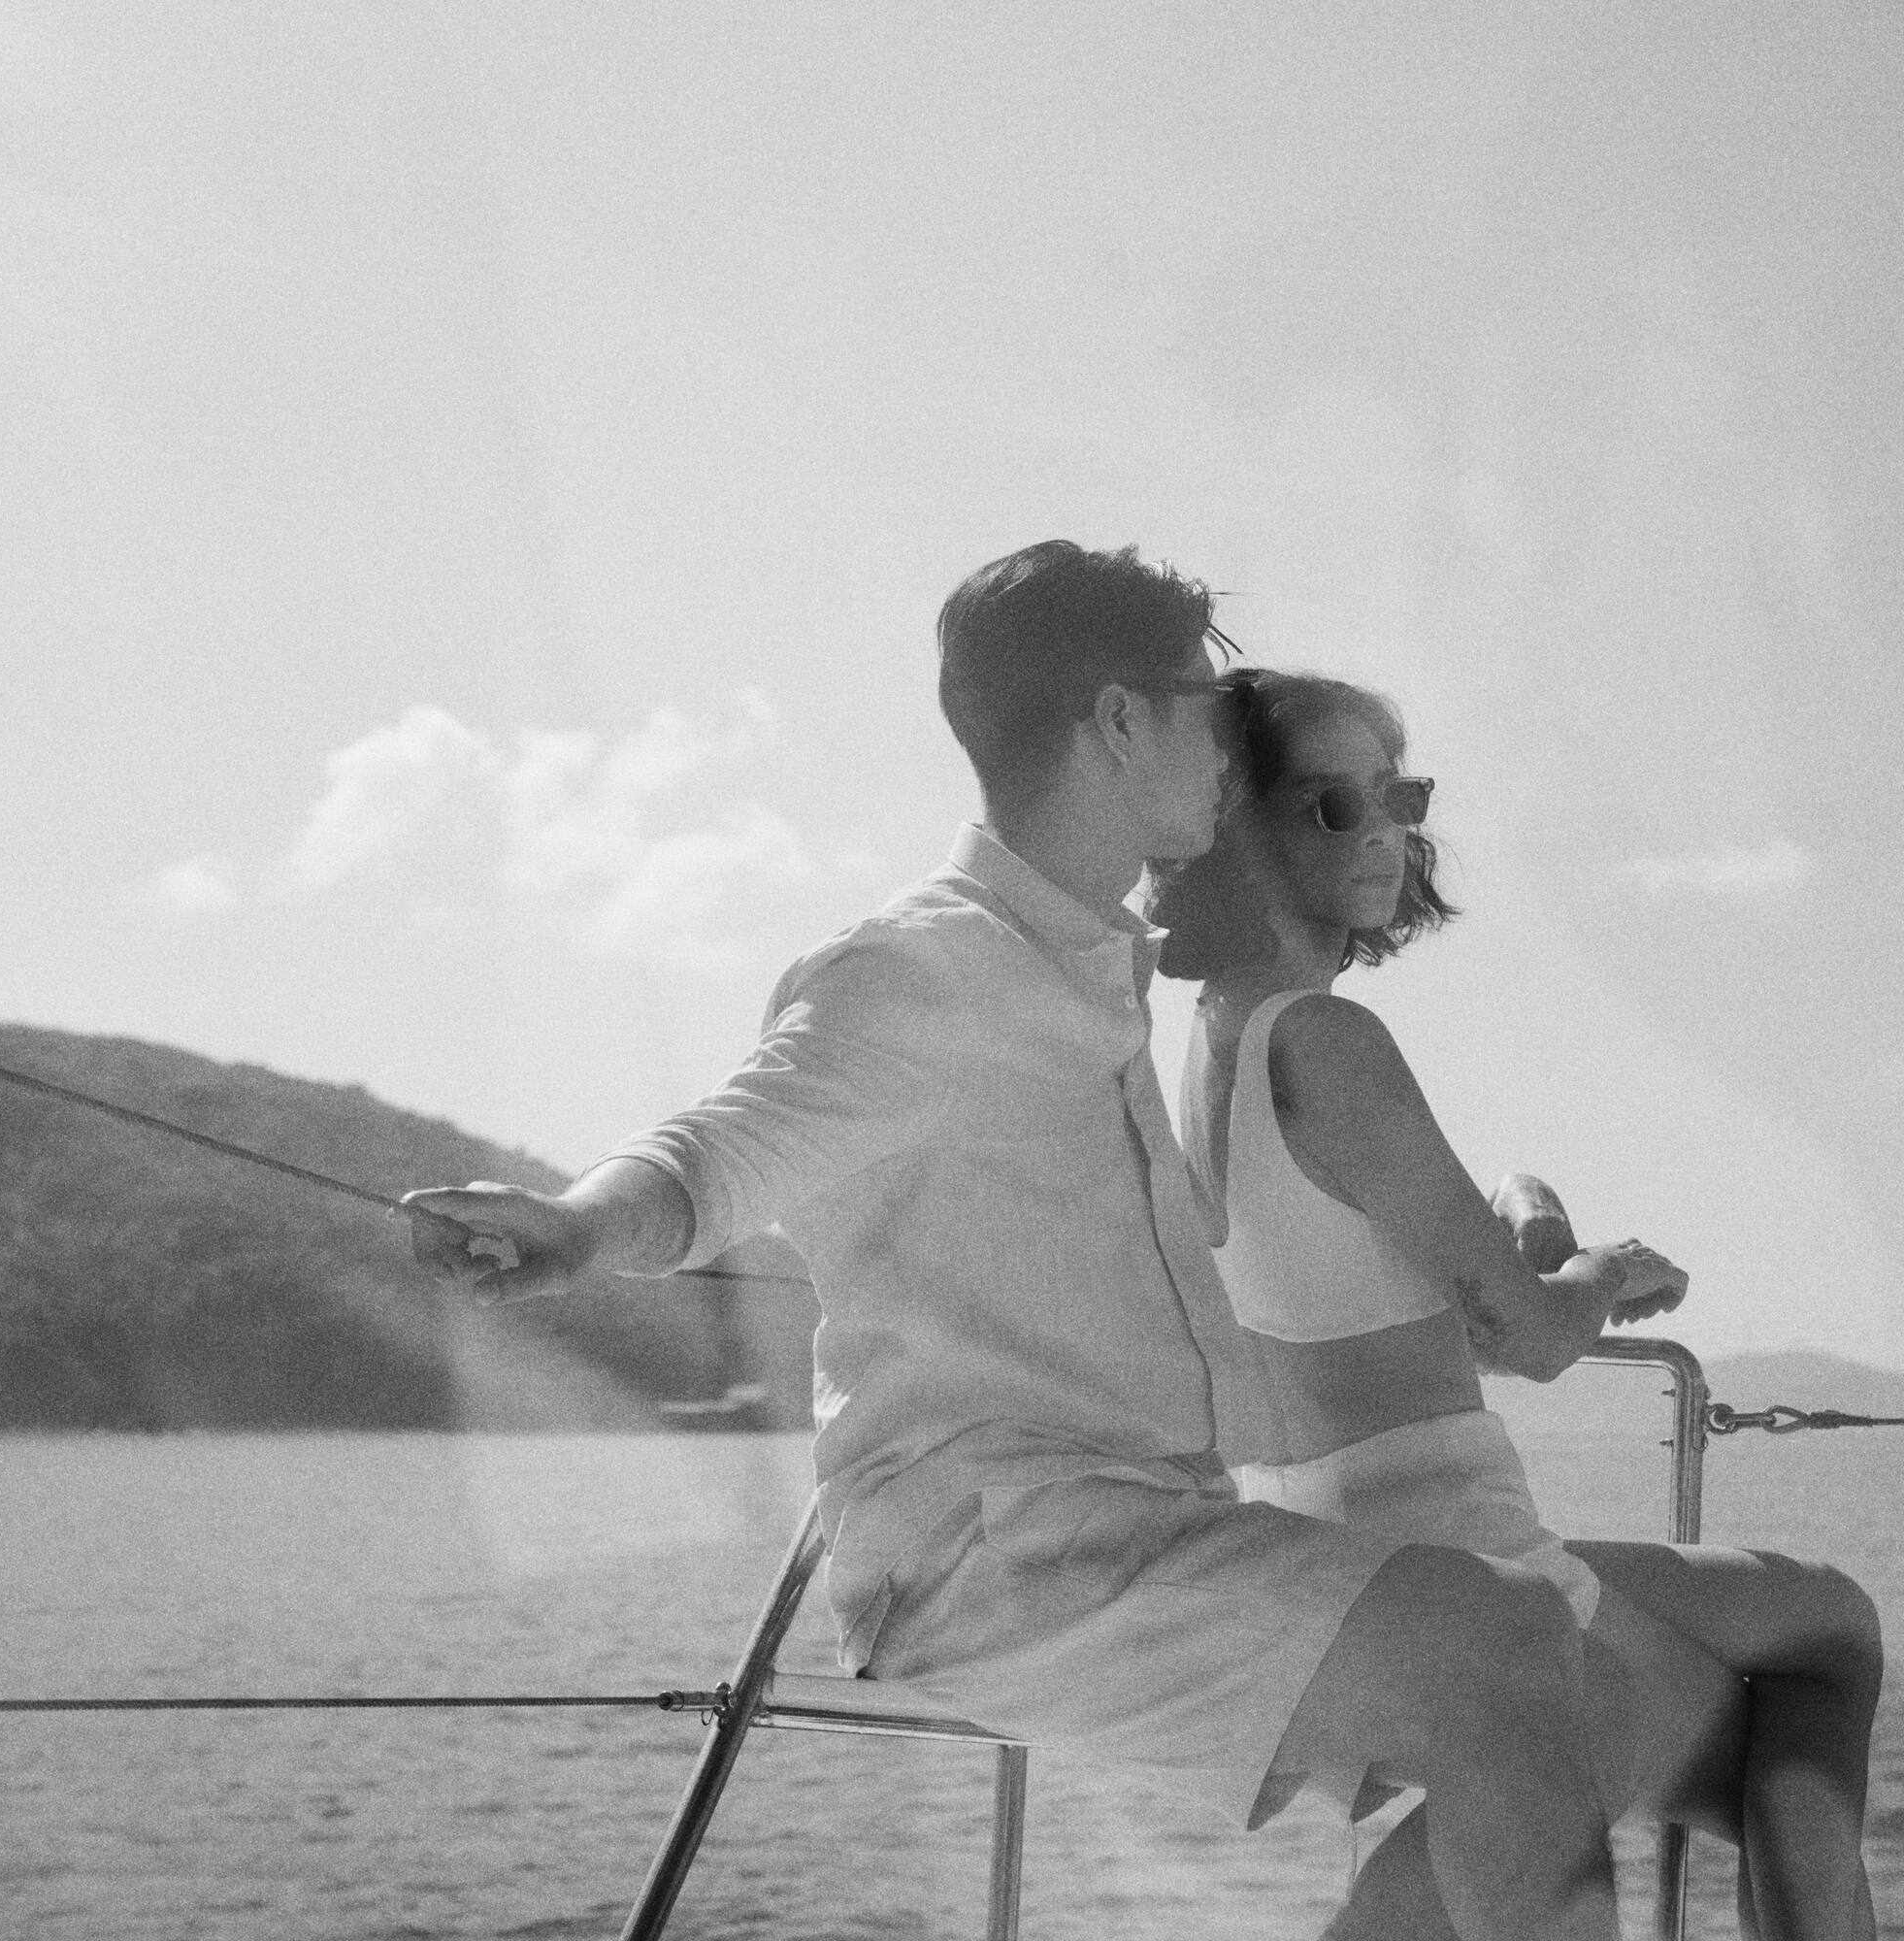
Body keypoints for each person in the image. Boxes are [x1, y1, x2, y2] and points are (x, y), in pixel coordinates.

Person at [410, 542, 1636, 1941]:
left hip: (1128, 1521)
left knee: (1506, 1684)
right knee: (1505, 1649)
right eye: (1205, 707)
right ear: (1119, 722)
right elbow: (728, 1140)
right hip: (999, 1556)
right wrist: (576, 1227)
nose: (1226, 746)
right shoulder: (925, 967)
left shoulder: (1089, 971)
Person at [1148, 667, 1883, 1940]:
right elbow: (1532, 1341)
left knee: (1773, 1706)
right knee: (1825, 1645)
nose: (1384, 832)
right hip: (1452, 1563)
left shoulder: (1221, 1041)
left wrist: (1519, 1197)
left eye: (1398, 797)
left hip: (1335, 1553)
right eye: (1333, 806)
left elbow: (1359, 1284)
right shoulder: (1329, 1043)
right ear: (1235, 825)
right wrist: (1613, 1269)